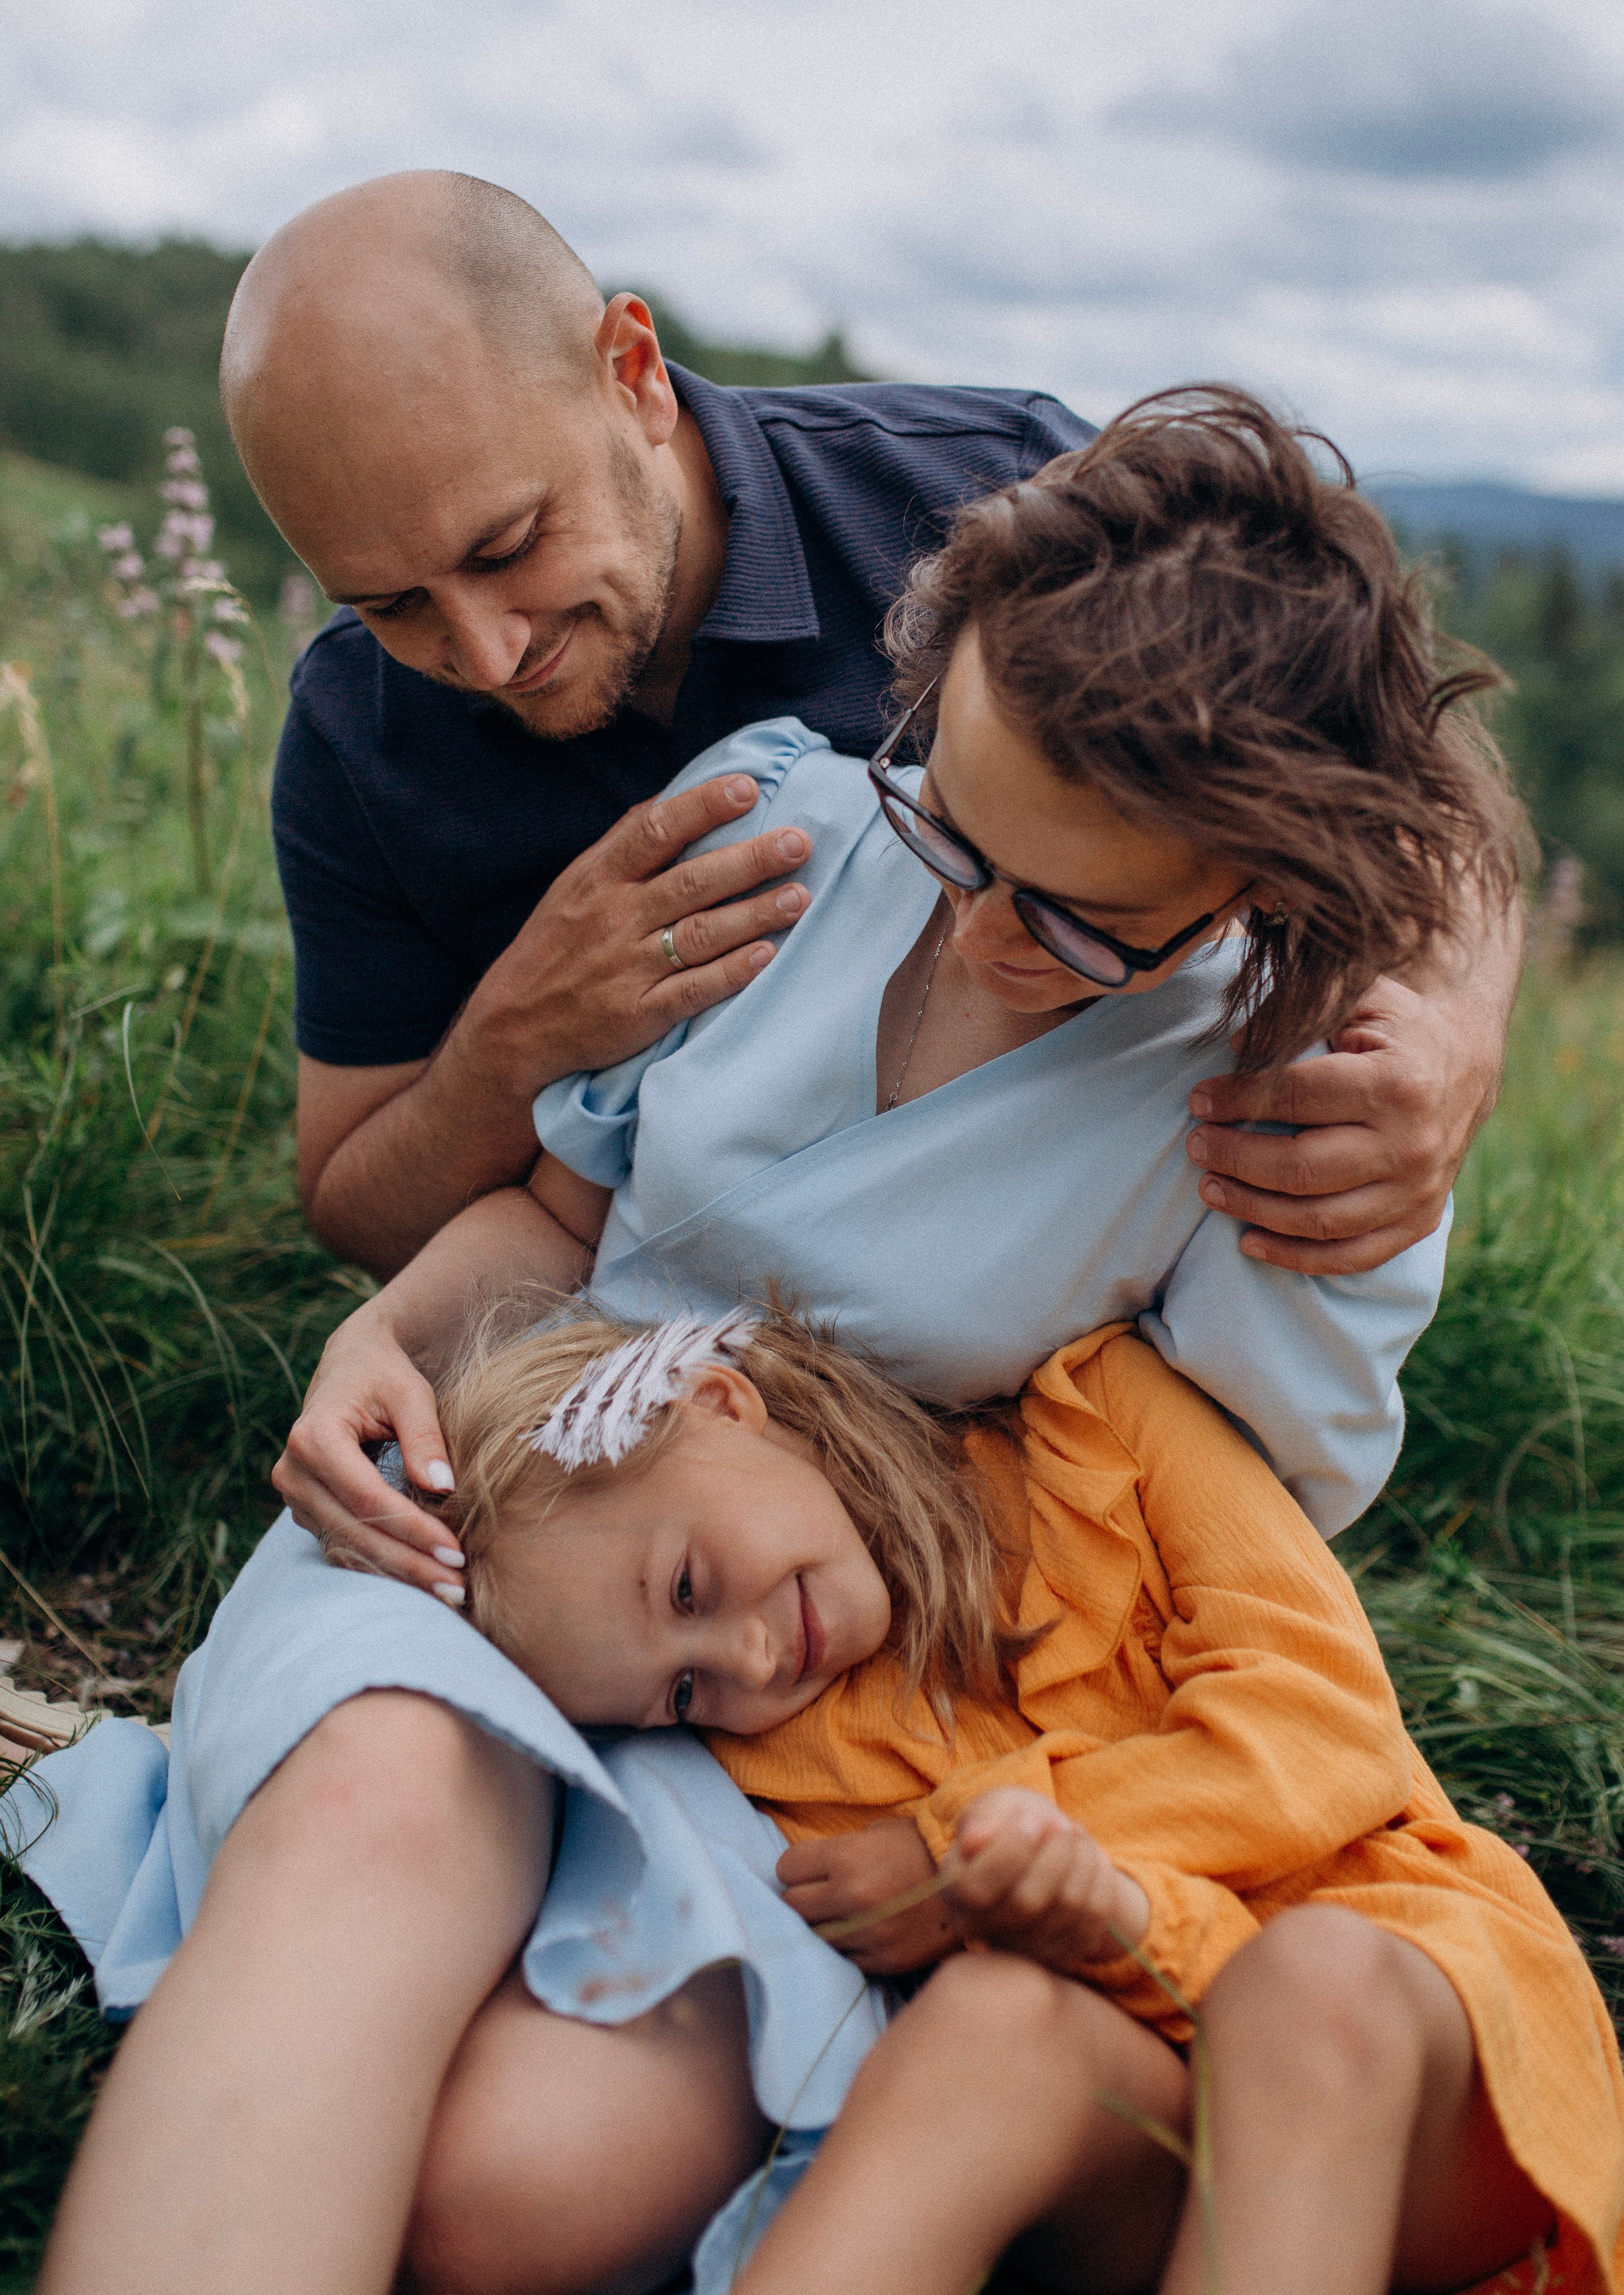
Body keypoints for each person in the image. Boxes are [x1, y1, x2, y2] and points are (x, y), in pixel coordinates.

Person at [20, 393, 1526, 2295]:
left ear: (1258, 887)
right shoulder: (787, 829)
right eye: (949, 820)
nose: (974, 928)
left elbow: (1191, 1576)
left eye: (1074, 919)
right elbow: (559, 1223)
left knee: (505, 2196)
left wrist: (1007, 1824)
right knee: (376, 1793)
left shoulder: (1279, 1120)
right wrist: (378, 1347)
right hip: (500, 1489)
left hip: (790, 1699)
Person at [221, 171, 1517, 1286]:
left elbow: (1414, 783)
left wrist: (1455, 1038)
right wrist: (516, 1036)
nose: (487, 653)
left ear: (631, 374)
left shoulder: (985, 486)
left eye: (510, 545)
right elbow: (355, 1206)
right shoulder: (352, 727)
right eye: (392, 605)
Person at [388, 1300, 1624, 2295]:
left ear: (722, 1403)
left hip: (1420, 2059)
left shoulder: (1103, 1421)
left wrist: (961, 1851)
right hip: (1163, 2117)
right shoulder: (784, 1766)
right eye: (681, 1694)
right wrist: (1056, 1911)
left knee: (1309, 1977)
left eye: (690, 1587)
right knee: (990, 2019)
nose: (746, 1663)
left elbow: (1322, 1729)